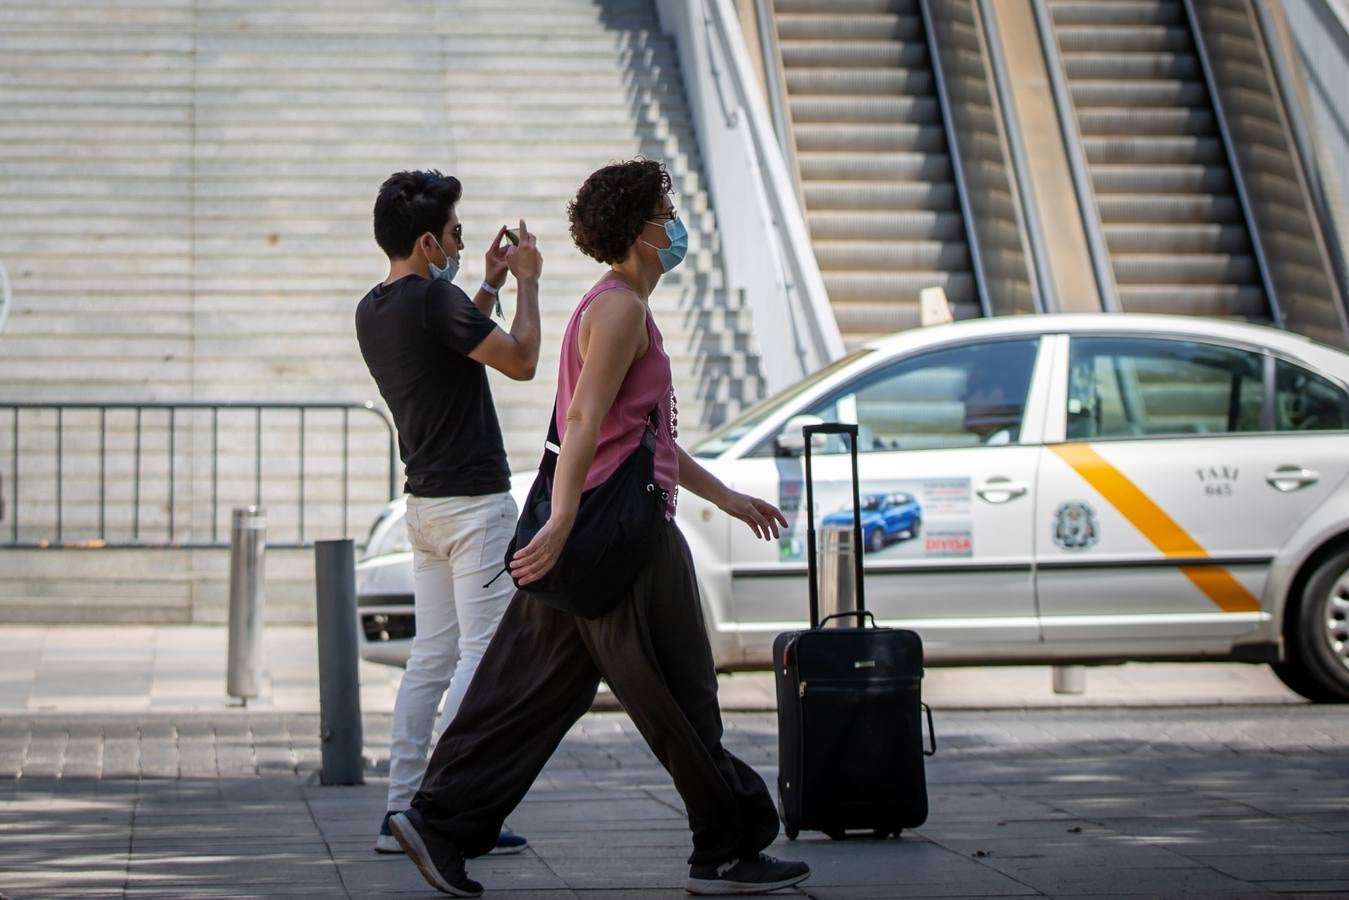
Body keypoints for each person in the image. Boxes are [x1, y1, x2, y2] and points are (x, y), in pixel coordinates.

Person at [388, 159, 811, 897]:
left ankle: (439, 821)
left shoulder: (611, 306)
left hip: (601, 528)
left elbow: (640, 431)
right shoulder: (618, 309)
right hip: (617, 532)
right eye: (666, 209)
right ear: (641, 229)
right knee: (678, 691)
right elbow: (580, 420)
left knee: (529, 693)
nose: (676, 222)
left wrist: (727, 497)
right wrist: (559, 522)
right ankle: (726, 844)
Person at [355, 170, 542, 856]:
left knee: (429, 659)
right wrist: (526, 281)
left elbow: (456, 338)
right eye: (458, 235)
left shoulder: (374, 307)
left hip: (426, 505)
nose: (465, 243)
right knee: (481, 654)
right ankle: (445, 805)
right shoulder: (434, 302)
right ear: (430, 242)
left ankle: (402, 808)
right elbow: (519, 362)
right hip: (474, 507)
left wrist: (487, 284)